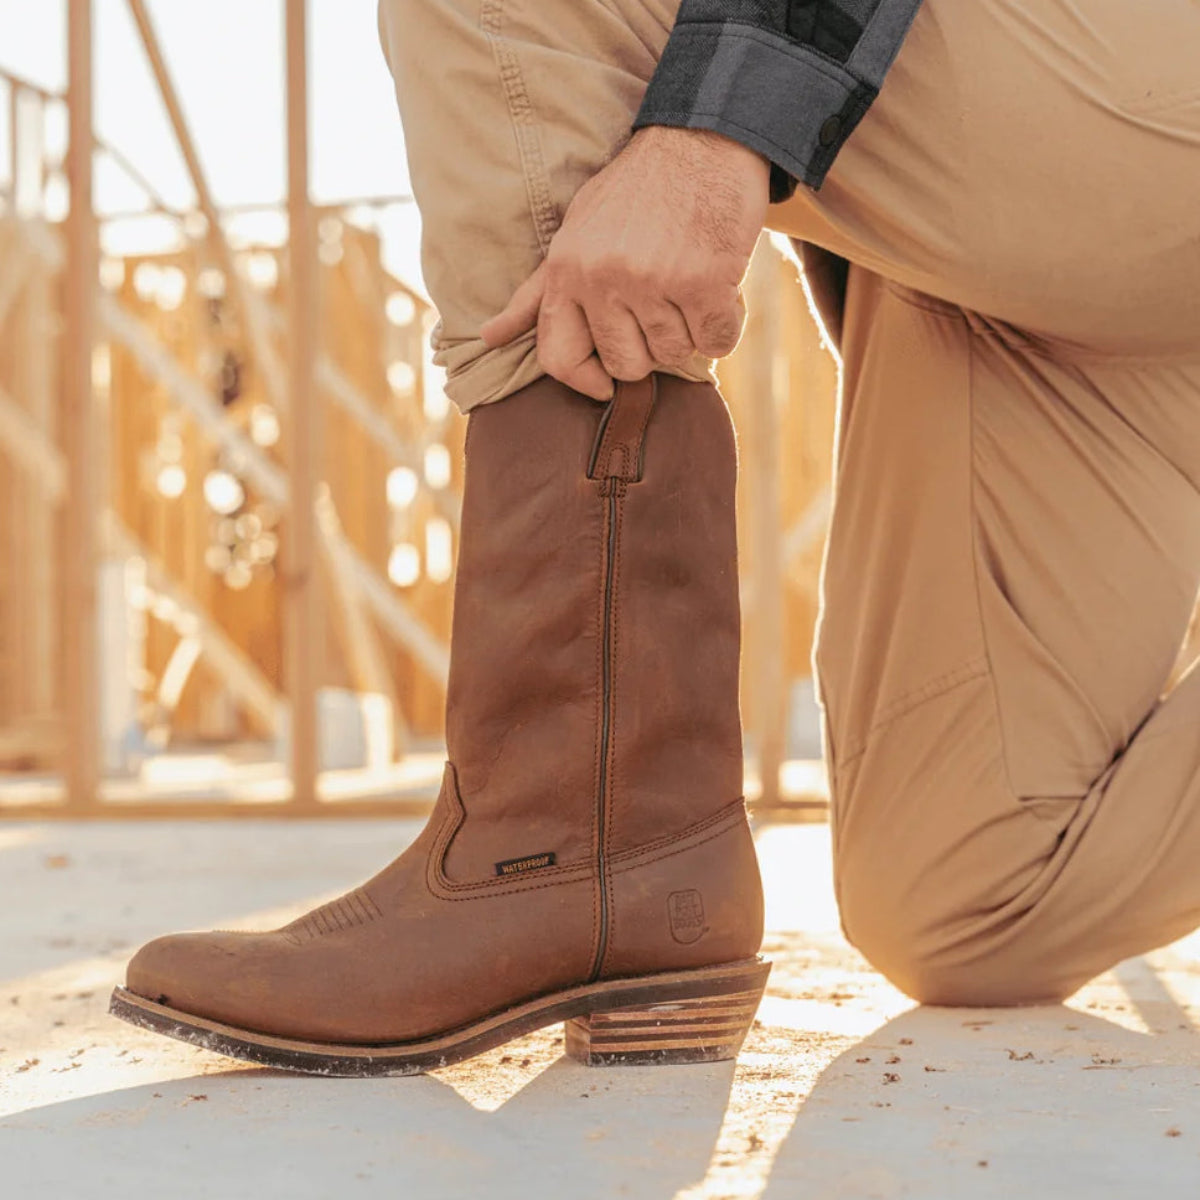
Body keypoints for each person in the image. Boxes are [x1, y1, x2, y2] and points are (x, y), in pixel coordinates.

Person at [111, 0, 1200, 1075]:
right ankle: (626, 871)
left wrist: (715, 132)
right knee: (970, 898)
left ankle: (566, 855)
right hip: (1045, 275)